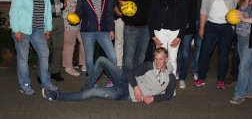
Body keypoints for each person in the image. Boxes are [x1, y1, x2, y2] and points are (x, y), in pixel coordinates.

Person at [42, 47, 176, 104]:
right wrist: (136, 87)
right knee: (101, 60)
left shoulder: (170, 78)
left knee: (92, 94)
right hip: (126, 80)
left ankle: (57, 97)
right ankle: (87, 86)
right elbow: (130, 73)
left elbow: (169, 95)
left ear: (166, 59)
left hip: (124, 94)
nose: (157, 62)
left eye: (161, 59)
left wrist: (153, 98)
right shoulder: (148, 65)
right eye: (156, 59)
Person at [9, 0, 58, 95]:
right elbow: (13, 12)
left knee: (44, 54)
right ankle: (24, 85)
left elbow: (47, 11)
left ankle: (46, 82)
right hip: (22, 31)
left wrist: (48, 28)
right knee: (23, 58)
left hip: (38, 30)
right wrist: (16, 30)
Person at [194, 0, 239, 89]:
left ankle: (221, 79)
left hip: (226, 27)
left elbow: (237, 6)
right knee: (204, 53)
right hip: (211, 26)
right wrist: (202, 27)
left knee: (223, 54)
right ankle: (201, 77)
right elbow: (203, 9)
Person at [75, 0, 116, 86]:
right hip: (88, 31)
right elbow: (79, 11)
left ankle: (112, 79)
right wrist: (75, 17)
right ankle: (93, 82)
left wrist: (111, 29)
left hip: (103, 31)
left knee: (112, 56)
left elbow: (109, 13)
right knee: (89, 58)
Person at [119, 0, 157, 72]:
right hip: (131, 28)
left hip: (146, 28)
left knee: (141, 55)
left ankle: (137, 77)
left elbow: (155, 8)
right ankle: (127, 80)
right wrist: (122, 7)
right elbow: (120, 4)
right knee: (129, 56)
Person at [148, 0, 187, 76]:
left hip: (174, 32)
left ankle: (171, 85)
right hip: (159, 32)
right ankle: (159, 83)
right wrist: (152, 36)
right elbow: (150, 18)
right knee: (159, 59)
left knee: (172, 59)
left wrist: (179, 37)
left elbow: (184, 19)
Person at [40, 0, 65, 82]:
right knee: (44, 49)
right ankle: (43, 74)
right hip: (46, 21)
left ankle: (55, 72)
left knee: (58, 47)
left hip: (59, 18)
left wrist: (63, 2)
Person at [189, 0, 212, 80]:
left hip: (202, 20)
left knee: (199, 46)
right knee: (184, 48)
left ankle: (195, 70)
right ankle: (180, 70)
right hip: (187, 20)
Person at [62, 0, 86, 76]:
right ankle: (68, 66)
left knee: (84, 41)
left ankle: (84, 63)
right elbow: (68, 3)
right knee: (70, 43)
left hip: (81, 19)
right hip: (70, 19)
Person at [175, 0, 197, 89]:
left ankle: (182, 77)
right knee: (174, 53)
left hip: (187, 29)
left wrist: (186, 23)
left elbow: (193, 12)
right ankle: (176, 72)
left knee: (184, 53)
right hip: (173, 28)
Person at [114, 0, 134, 69]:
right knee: (119, 40)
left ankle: (129, 65)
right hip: (119, 16)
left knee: (130, 42)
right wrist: (117, 11)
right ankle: (118, 65)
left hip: (132, 17)